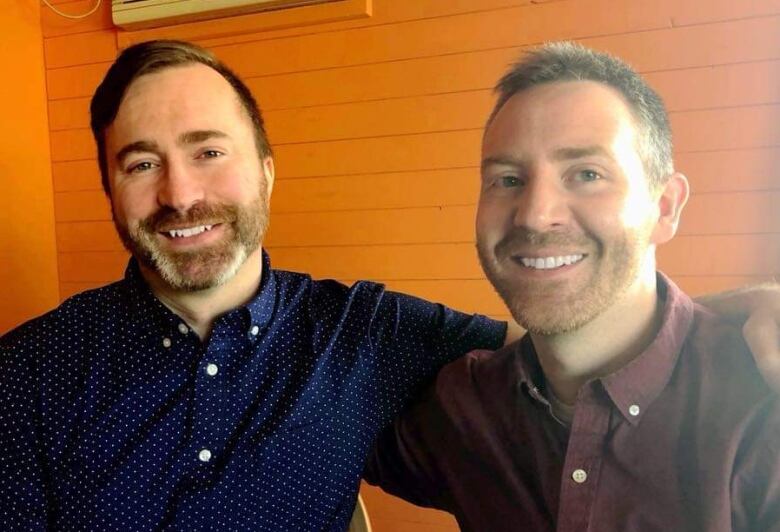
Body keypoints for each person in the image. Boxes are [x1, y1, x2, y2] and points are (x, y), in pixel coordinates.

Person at [0, 40, 776, 531]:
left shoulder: (366, 331)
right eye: (140, 163)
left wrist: (735, 318)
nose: (178, 193)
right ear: (107, 187)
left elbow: (573, 328)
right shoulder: (27, 373)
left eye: (209, 151)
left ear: (267, 172)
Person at [365, 42, 780, 531]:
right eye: (507, 179)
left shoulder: (761, 405)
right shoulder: (464, 407)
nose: (536, 214)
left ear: (665, 207)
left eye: (587, 174)